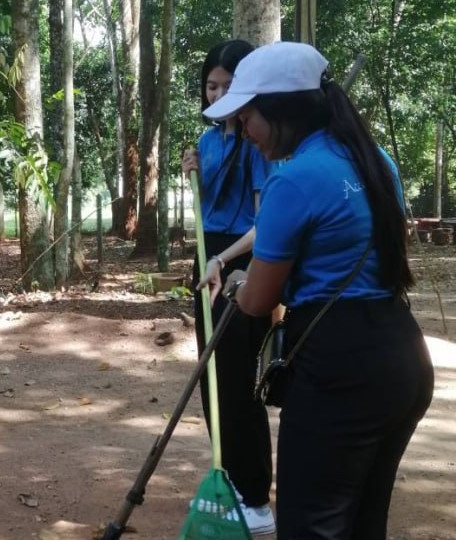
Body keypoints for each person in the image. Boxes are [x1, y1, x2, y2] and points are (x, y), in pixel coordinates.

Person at [204, 41, 434, 539]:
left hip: (339, 368)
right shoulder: (378, 161)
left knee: (313, 526)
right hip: (402, 356)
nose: (243, 129)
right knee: (363, 523)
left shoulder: (294, 180)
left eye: (248, 116)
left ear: (282, 111)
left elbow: (259, 301)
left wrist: (239, 282)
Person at [181, 39, 276, 536]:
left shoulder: (259, 142)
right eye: (210, 85)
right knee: (210, 374)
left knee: (239, 378)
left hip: (243, 261)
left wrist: (224, 257)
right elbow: (205, 207)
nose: (217, 93)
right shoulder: (207, 141)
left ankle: (257, 494)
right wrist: (191, 175)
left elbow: (267, 226)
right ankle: (229, 475)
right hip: (207, 256)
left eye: (227, 85)